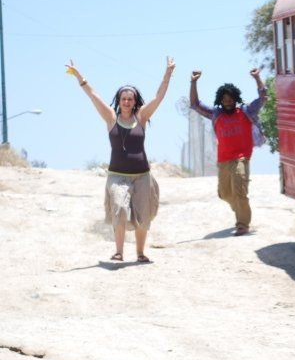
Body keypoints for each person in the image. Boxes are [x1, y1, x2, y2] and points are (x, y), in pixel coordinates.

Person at [65, 57, 175, 262]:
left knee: (144, 214)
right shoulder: (110, 118)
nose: (126, 102)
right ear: (119, 100)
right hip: (117, 176)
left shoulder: (141, 117)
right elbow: (93, 95)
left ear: (135, 101)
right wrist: (78, 76)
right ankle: (119, 252)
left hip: (142, 176)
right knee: (120, 209)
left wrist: (168, 73)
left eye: (130, 99)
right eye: (123, 98)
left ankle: (141, 253)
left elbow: (158, 97)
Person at [189, 68, 267, 236]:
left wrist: (257, 78)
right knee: (224, 194)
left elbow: (263, 97)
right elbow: (195, 104)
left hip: (241, 158)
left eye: (230, 99)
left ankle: (242, 224)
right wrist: (194, 82)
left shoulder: (246, 112)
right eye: (224, 100)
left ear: (235, 98)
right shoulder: (216, 114)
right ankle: (237, 207)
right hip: (223, 160)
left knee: (240, 190)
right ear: (220, 101)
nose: (228, 102)